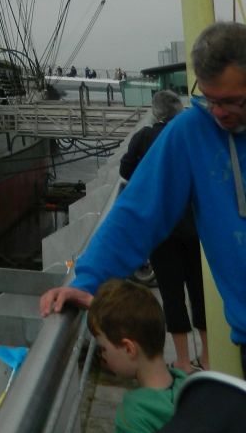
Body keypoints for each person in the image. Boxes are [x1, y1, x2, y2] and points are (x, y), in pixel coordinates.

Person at [41, 21, 246, 379]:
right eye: (207, 98)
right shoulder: (191, 132)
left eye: (230, 101)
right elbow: (136, 214)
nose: (218, 112)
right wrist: (85, 282)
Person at [120, 89, 208, 372]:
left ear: (155, 111)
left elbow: (125, 170)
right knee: (199, 291)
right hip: (194, 229)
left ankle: (182, 361)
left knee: (172, 294)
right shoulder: (189, 137)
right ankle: (207, 357)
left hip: (162, 231)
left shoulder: (144, 138)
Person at [87, 278, 187, 433]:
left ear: (128, 348)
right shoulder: (188, 388)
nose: (102, 356)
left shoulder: (132, 416)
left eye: (103, 349)